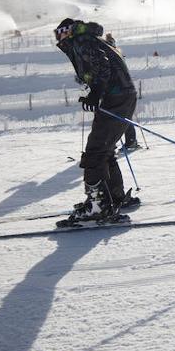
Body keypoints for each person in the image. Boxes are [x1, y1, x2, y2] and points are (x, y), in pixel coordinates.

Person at [54, 18, 138, 225]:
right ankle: (113, 197)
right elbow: (101, 67)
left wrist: (96, 91)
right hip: (120, 96)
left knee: (94, 153)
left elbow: (102, 66)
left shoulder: (83, 40)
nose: (58, 38)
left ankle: (97, 207)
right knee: (105, 150)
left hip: (116, 97)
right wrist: (94, 89)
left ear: (69, 31)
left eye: (60, 33)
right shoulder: (91, 39)